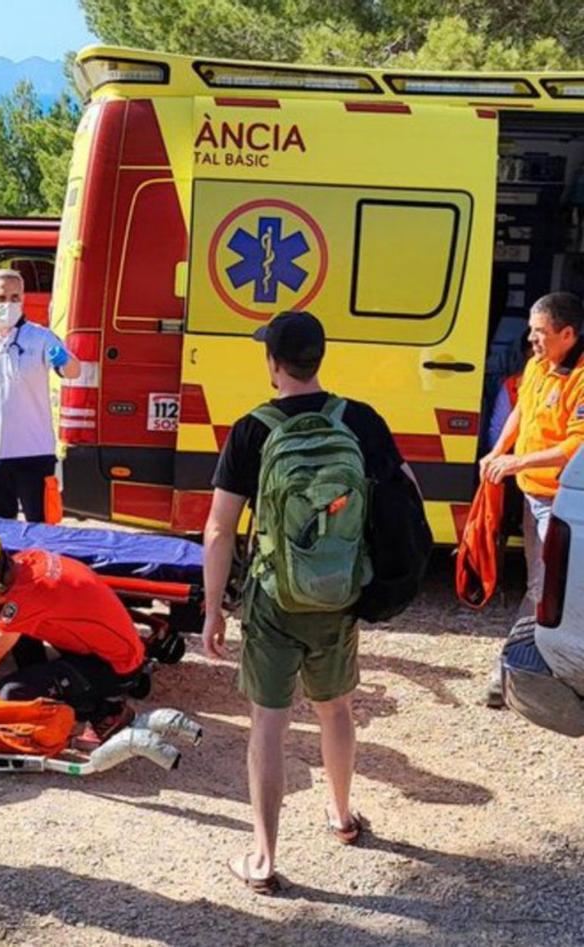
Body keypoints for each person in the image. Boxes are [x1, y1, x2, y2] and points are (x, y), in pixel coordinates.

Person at [200, 310, 407, 894]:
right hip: (339, 594)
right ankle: (342, 816)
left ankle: (263, 860)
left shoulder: (251, 429)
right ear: (320, 357)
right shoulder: (360, 421)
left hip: (273, 598)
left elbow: (219, 529)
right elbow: (402, 497)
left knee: (268, 721)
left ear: (273, 363)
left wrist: (214, 608)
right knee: (336, 708)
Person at [0, 527, 145, 747]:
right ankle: (63, 686)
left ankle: (107, 710)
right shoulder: (23, 563)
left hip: (116, 666)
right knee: (10, 624)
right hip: (105, 646)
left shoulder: (29, 595)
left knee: (12, 692)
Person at [480, 292, 584, 706]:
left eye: (539, 332)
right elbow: (521, 411)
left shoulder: (580, 379)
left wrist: (517, 461)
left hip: (562, 502)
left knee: (544, 587)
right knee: (540, 584)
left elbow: (575, 447)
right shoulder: (539, 364)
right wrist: (500, 452)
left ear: (568, 333)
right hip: (534, 495)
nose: (531, 338)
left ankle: (509, 671)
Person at [0, 269, 79, 522]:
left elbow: (73, 370)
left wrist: (63, 359)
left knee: (43, 530)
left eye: (15, 297)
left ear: (23, 299)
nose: (8, 304)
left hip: (35, 453)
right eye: (2, 298)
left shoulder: (41, 337)